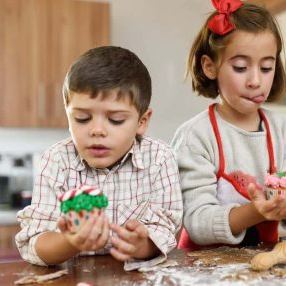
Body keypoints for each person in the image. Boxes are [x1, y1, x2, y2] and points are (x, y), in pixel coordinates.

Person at [15, 46, 183, 271]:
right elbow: (35, 243)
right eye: (82, 118)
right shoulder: (56, 161)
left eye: (115, 120)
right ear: (68, 114)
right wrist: (70, 242)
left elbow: (166, 229)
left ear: (142, 121)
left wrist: (141, 245)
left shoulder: (160, 159)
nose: (96, 130)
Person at [171, 0, 286, 249]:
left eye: (266, 67)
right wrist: (258, 211)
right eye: (240, 67)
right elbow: (197, 222)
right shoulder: (196, 136)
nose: (255, 80)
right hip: (204, 271)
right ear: (210, 67)